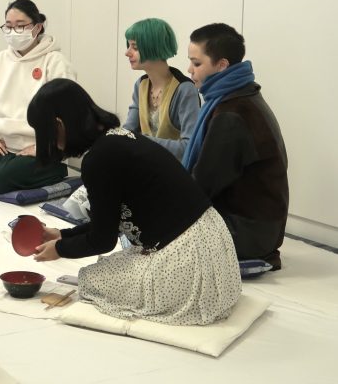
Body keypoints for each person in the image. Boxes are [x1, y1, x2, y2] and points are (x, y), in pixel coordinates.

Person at [29, 79, 241, 325]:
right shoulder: (116, 139)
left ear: (59, 124)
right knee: (113, 266)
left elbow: (102, 240)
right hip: (215, 249)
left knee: (92, 279)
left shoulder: (99, 159)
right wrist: (62, 235)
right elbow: (108, 221)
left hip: (189, 259)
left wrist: (60, 249)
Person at [183, 23, 289, 270]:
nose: (189, 70)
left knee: (155, 232)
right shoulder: (242, 96)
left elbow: (201, 186)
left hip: (247, 234)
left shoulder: (232, 113)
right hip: (259, 228)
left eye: (196, 63)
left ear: (222, 65)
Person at [0, 0, 76, 194]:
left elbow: (69, 111)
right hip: (5, 147)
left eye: (20, 26)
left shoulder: (55, 61)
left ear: (37, 27)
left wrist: (45, 147)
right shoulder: (0, 59)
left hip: (41, 148)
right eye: (8, 26)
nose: (14, 32)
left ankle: (55, 168)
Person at [122, 17, 200, 160]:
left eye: (135, 47)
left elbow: (190, 147)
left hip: (174, 170)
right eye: (129, 46)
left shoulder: (185, 89)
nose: (127, 52)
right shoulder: (141, 84)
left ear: (153, 47)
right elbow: (128, 131)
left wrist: (141, 141)